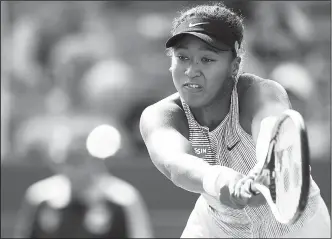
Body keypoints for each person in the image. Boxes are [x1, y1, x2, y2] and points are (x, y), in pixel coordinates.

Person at [139, 3, 330, 238]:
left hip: (300, 227)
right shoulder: (161, 114)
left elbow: (271, 129)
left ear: (235, 65)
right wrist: (220, 179)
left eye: (207, 60)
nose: (191, 71)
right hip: (217, 227)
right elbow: (175, 163)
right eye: (182, 57)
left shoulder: (259, 92)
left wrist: (265, 170)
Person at [14, 121, 153, 238]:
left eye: (79, 160)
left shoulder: (123, 199)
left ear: (96, 160)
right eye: (68, 160)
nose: (73, 168)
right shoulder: (40, 198)